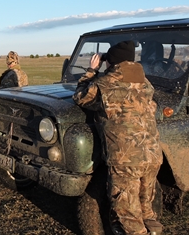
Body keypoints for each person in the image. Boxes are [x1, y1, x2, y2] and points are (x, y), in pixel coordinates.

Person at [72, 41, 163, 235]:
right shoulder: (145, 83)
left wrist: (91, 70)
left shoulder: (106, 84)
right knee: (146, 209)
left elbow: (80, 96)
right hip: (153, 154)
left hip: (127, 159)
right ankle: (153, 229)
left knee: (128, 213)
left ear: (111, 62)